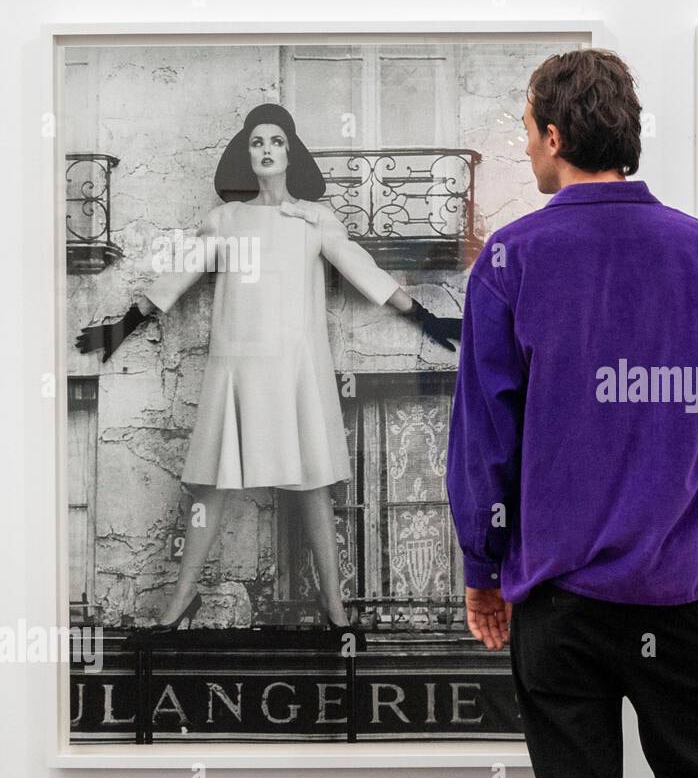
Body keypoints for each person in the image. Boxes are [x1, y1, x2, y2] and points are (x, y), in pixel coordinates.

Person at [445, 50, 698, 778]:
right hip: (682, 585)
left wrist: (482, 567)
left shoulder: (510, 260)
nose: (524, 146)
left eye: (527, 129)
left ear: (554, 137)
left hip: (560, 598)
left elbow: (485, 439)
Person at [74, 103, 456, 630]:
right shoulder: (225, 220)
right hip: (236, 364)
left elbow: (361, 270)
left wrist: (426, 317)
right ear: (246, 154)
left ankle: (335, 610)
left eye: (276, 141)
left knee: (313, 485)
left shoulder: (315, 219)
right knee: (213, 484)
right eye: (257, 142)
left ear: (290, 152)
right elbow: (180, 275)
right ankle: (179, 603)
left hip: (297, 365)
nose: (267, 150)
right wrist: (122, 326)